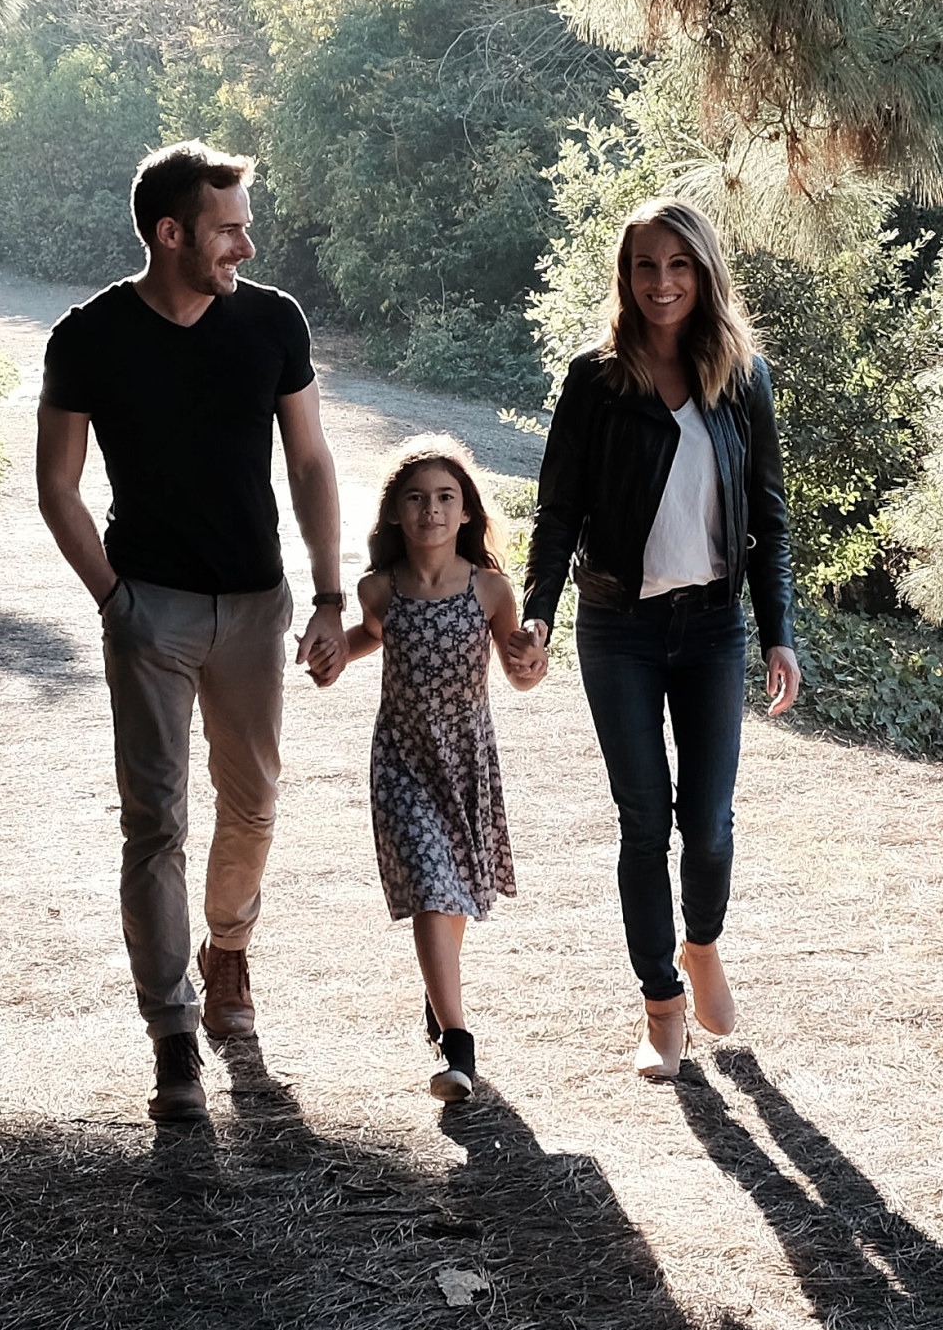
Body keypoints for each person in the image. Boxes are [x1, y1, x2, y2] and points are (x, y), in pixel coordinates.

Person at [36, 141, 351, 1125]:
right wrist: (115, 602)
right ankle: (172, 1032)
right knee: (156, 823)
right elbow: (57, 486)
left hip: (255, 608)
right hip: (151, 612)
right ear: (170, 233)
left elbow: (310, 461)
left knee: (252, 806)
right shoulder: (88, 336)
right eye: (228, 229)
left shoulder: (272, 322)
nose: (245, 246)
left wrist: (329, 592)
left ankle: (229, 952)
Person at [520, 197, 798, 1081]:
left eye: (679, 265)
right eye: (646, 265)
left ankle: (701, 943)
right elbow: (559, 509)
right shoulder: (595, 380)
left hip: (712, 627)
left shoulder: (742, 377)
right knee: (644, 821)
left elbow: (768, 517)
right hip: (620, 628)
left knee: (707, 825)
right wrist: (538, 610)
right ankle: (661, 1003)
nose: (663, 282)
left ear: (704, 273)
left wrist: (779, 633)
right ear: (626, 275)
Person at [317, 436, 547, 1100]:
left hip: (466, 760)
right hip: (402, 761)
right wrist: (337, 656)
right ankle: (458, 1044)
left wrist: (533, 662)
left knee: (455, 894)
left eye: (446, 497)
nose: (431, 510)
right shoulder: (378, 588)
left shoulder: (490, 590)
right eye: (416, 498)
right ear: (395, 512)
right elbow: (373, 634)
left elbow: (518, 671)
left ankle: (437, 994)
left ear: (466, 510)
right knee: (429, 887)